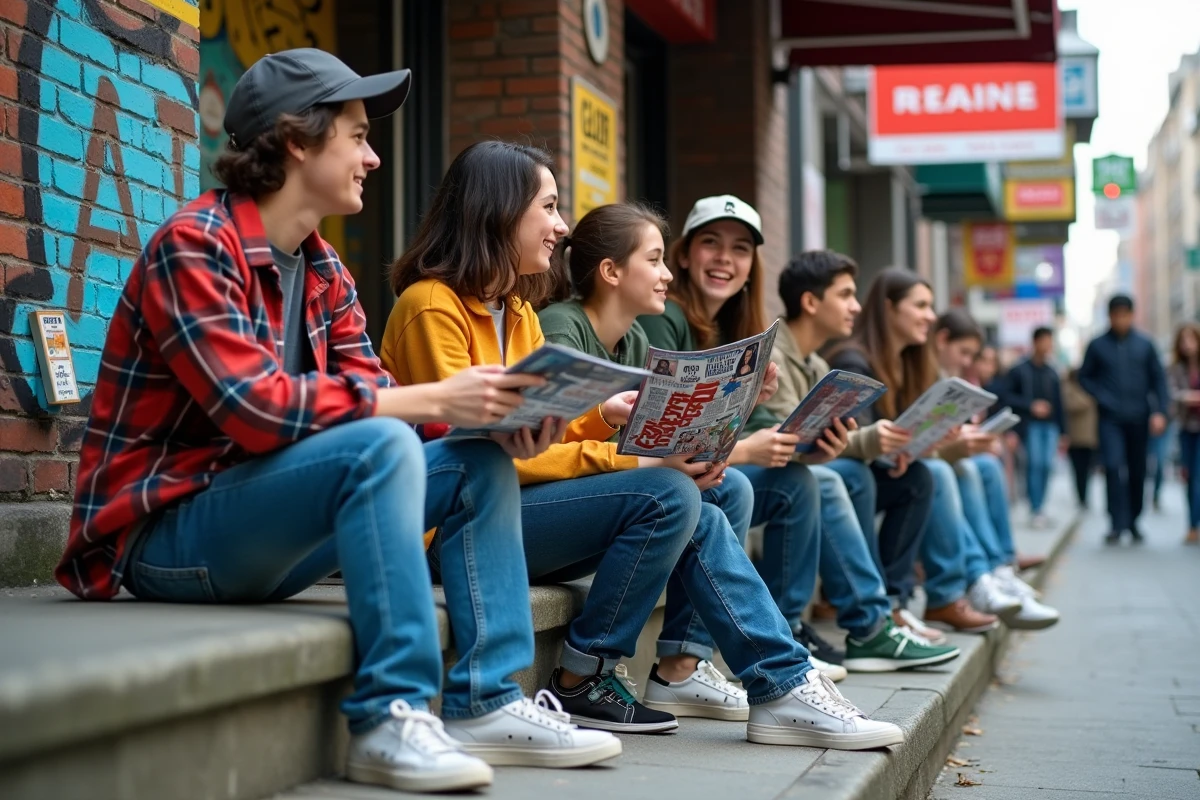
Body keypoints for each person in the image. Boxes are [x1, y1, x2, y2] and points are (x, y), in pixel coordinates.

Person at [53, 49, 618, 794]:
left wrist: (503, 428)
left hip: (274, 523)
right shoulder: (194, 245)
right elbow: (255, 410)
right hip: (167, 536)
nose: (373, 156)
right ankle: (389, 715)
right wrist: (429, 402)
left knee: (475, 462)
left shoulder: (324, 271)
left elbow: (387, 406)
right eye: (356, 135)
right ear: (296, 140)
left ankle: (486, 699)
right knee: (384, 437)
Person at [382, 154, 904, 750]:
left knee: (714, 492)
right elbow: (481, 458)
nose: (561, 226)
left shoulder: (518, 313)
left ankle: (773, 681)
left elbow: (529, 433)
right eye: (549, 208)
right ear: (497, 213)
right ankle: (603, 673)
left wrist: (602, 416)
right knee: (670, 491)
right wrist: (634, 459)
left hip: (515, 514)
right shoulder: (432, 305)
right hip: (452, 530)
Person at [639, 218, 956, 671]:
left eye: (741, 249)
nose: (726, 257)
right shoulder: (668, 319)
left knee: (834, 476)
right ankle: (849, 624)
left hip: (704, 471)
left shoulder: (739, 326)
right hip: (662, 476)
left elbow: (751, 427)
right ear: (683, 255)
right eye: (711, 243)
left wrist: (806, 440)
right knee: (809, 482)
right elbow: (672, 430)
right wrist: (756, 444)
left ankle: (860, 618)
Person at [756, 250, 960, 664]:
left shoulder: (815, 361)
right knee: (838, 477)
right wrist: (860, 443)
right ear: (811, 302)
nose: (856, 305)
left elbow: (806, 442)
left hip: (787, 475)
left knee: (908, 475)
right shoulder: (775, 355)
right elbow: (786, 438)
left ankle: (880, 612)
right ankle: (865, 621)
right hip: (751, 476)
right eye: (846, 294)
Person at [824, 270, 1022, 635]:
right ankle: (928, 596)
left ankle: (915, 598)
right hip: (848, 475)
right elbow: (845, 438)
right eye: (921, 305)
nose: (931, 316)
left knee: (931, 473)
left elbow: (895, 441)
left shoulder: (908, 363)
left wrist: (928, 443)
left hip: (882, 472)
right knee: (932, 475)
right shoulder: (854, 359)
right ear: (888, 309)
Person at [933, 310, 1059, 630]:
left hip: (925, 458)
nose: (968, 362)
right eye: (965, 354)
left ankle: (1000, 569)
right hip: (913, 466)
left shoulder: (943, 373)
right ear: (942, 339)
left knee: (986, 465)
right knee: (955, 471)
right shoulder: (926, 368)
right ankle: (979, 576)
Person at [1078, 294, 1169, 544]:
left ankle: (1134, 520)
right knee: (1113, 467)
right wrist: (1101, 396)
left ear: (1131, 315)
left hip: (1140, 417)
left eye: (1125, 315)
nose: (1120, 320)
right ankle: (1116, 523)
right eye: (1116, 315)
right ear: (1109, 316)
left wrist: (1160, 411)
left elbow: (1159, 380)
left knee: (1138, 470)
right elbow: (1084, 376)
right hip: (1110, 419)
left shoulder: (1145, 344)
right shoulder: (1097, 345)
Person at [1006, 327, 1066, 528]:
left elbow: (1059, 403)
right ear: (1036, 342)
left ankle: (1041, 505)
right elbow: (1008, 397)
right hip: (1029, 425)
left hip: (1050, 427)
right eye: (1045, 341)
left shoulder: (1052, 372)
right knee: (1034, 464)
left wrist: (1064, 431)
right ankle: (1035, 507)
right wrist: (1030, 406)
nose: (1048, 346)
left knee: (1047, 466)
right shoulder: (1019, 370)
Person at [1168, 323, 1200, 544]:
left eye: (1192, 339)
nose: (1188, 344)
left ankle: (1193, 524)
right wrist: (1186, 397)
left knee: (1198, 477)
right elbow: (1172, 394)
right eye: (1183, 340)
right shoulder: (1175, 368)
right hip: (1186, 428)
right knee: (1189, 478)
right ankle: (1192, 524)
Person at [1063, 368, 1098, 511]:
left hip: (1090, 438)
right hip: (1074, 437)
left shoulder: (1092, 387)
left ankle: (1085, 497)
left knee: (1088, 470)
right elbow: (1071, 404)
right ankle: (1081, 497)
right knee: (1078, 470)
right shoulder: (1068, 388)